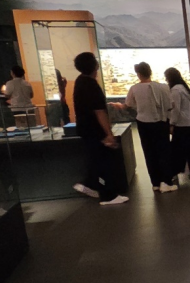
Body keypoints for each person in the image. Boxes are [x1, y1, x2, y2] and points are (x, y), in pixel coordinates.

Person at [71, 52, 128, 206]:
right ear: (94, 65)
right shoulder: (91, 85)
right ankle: (107, 195)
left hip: (86, 129)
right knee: (105, 161)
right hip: (95, 130)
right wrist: (108, 133)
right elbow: (99, 111)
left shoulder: (80, 81)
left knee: (97, 159)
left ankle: (91, 184)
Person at [123, 62, 176, 193]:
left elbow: (128, 104)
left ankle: (155, 182)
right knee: (163, 151)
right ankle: (166, 181)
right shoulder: (163, 87)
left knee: (149, 151)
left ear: (138, 74)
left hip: (143, 123)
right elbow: (171, 105)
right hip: (161, 122)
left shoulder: (134, 88)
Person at [165, 67, 190, 180]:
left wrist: (172, 123)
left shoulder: (175, 90)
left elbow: (176, 109)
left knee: (177, 150)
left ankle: (174, 171)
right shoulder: (184, 88)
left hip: (182, 124)